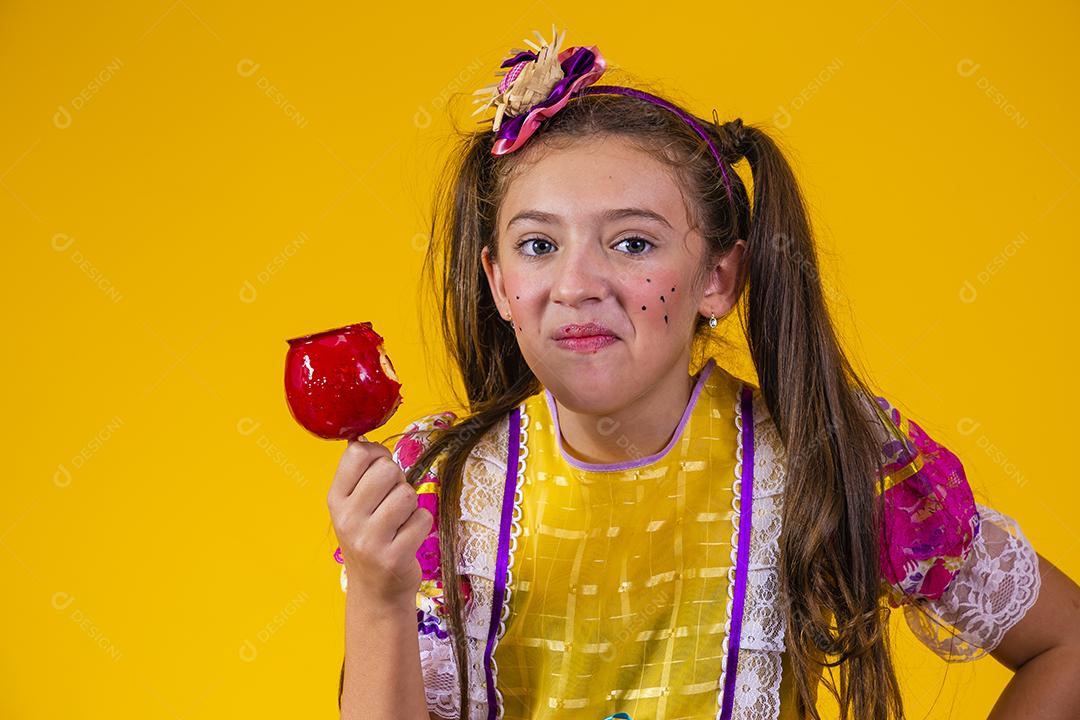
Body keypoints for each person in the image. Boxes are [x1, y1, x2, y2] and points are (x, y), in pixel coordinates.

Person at [326, 26, 1080, 720]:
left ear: (717, 277)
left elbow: (1065, 646)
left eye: (631, 244)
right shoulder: (439, 491)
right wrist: (379, 597)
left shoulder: (825, 455)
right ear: (497, 284)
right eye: (537, 246)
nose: (577, 284)